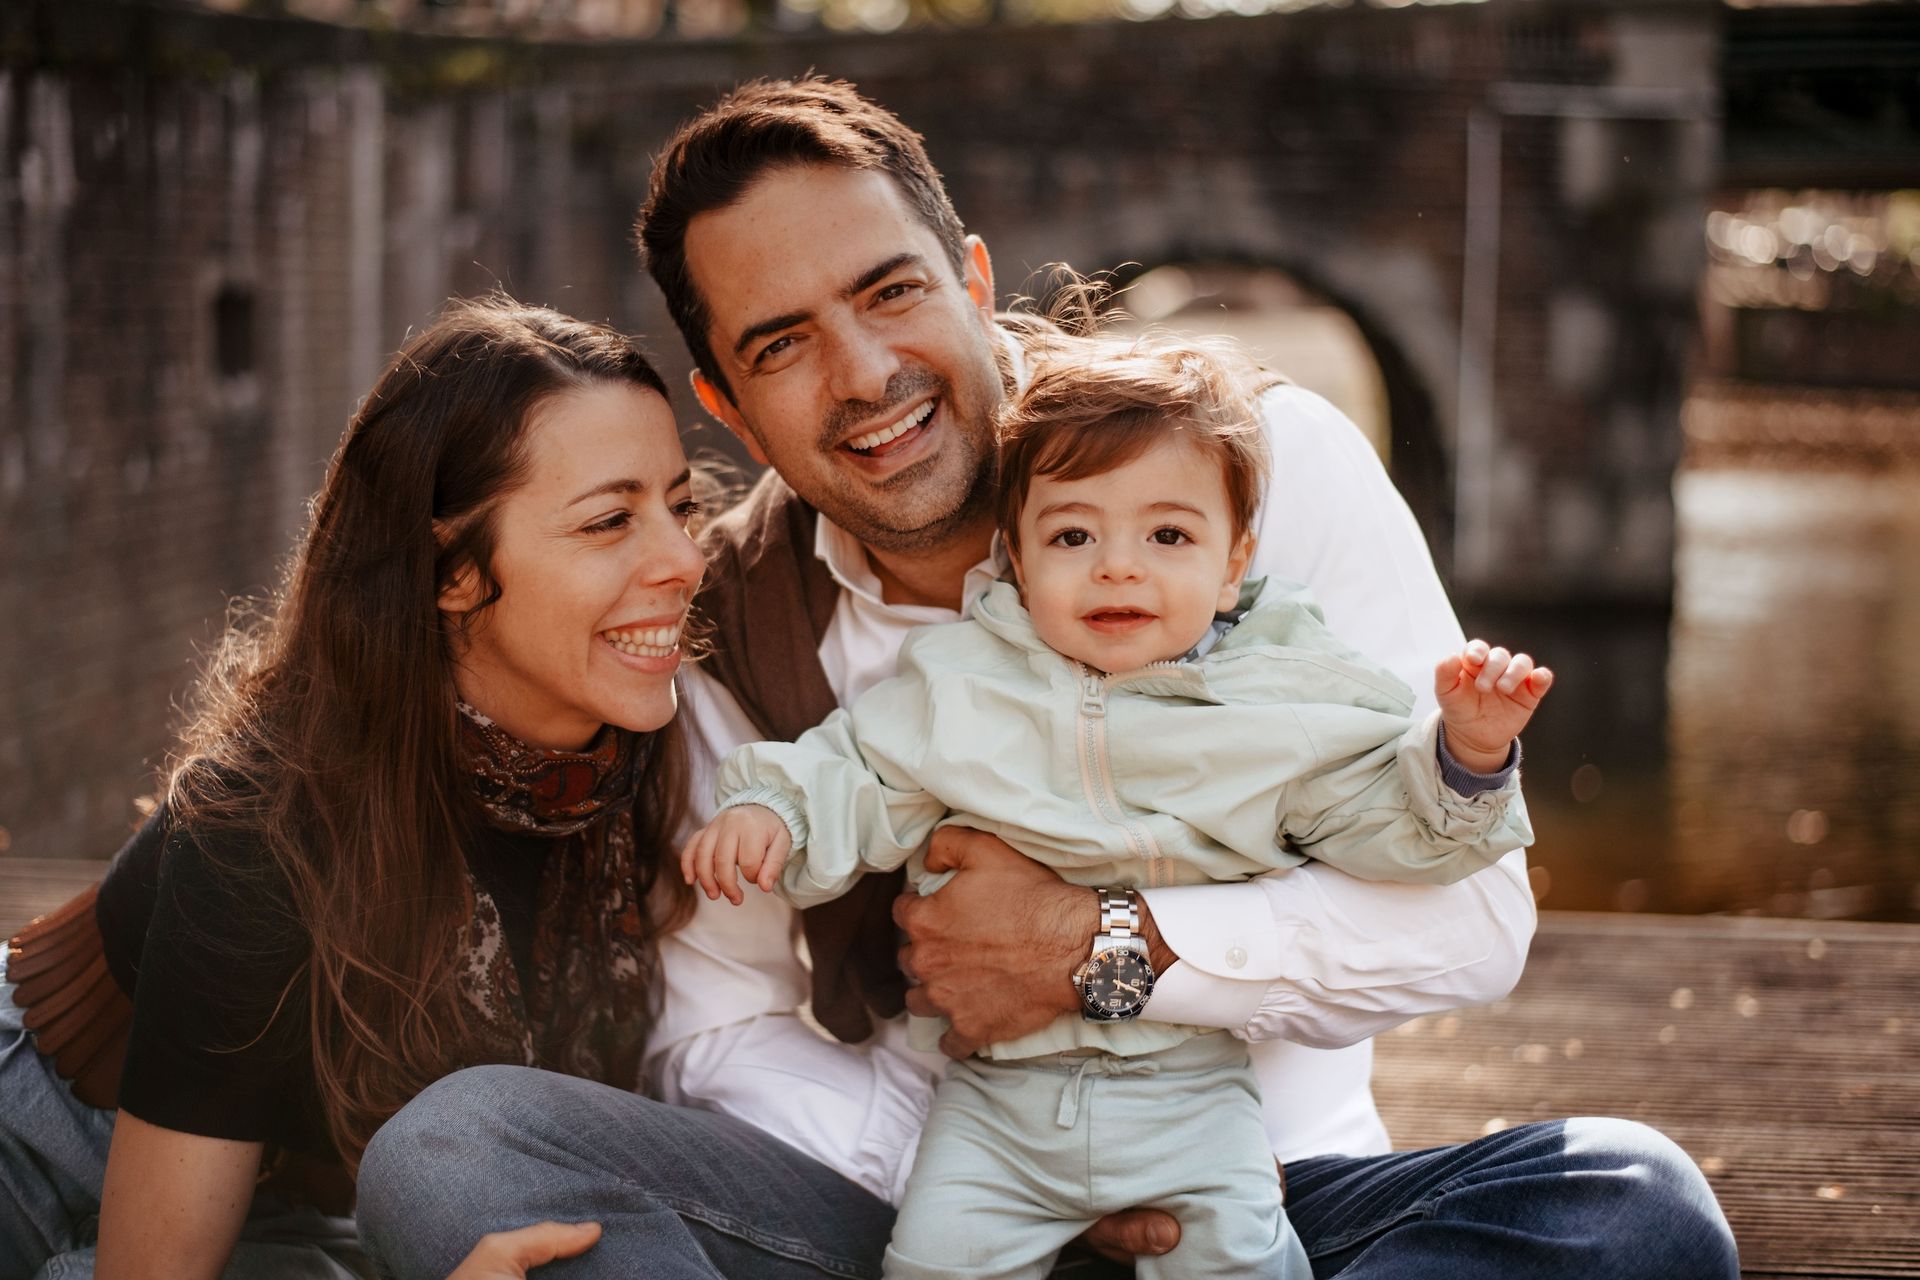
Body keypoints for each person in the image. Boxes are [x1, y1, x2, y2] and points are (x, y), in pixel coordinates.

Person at [358, 77, 1739, 1278]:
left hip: (1268, 1202)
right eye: (781, 345)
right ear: (725, 403)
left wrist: (1101, 952)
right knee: (458, 1151)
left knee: (1631, 1208)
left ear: (969, 277)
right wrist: (981, 1173)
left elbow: (1472, 927)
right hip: (918, 1214)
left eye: (890, 292)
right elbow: (714, 1032)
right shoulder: (721, 620)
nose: (865, 376)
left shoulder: (1259, 466)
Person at [680, 335, 1549, 1278]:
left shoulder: (1279, 708)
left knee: (1252, 1259)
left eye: (1167, 536)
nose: (1117, 568)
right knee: (933, 1262)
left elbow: (1388, 824)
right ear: (1015, 557)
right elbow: (859, 768)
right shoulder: (967, 685)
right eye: (1072, 537)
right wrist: (777, 814)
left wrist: (1465, 755)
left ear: (1233, 566)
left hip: (1192, 1098)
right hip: (993, 1109)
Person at [0, 296, 712, 1280]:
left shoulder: (642, 745)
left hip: (295, 1211)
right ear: (451, 570)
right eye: (609, 521)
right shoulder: (267, 827)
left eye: (683, 504)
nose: (683, 558)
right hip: (41, 1158)